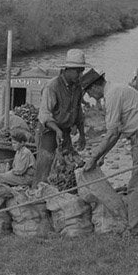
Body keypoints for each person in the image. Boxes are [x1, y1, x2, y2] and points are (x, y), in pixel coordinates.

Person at [81, 69, 138, 236]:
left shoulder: (112, 95)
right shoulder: (116, 90)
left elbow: (112, 132)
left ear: (95, 86)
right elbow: (117, 131)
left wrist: (93, 157)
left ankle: (136, 230)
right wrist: (103, 155)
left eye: (88, 92)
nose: (90, 96)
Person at [33, 48, 89, 183]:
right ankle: (37, 195)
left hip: (65, 131)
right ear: (67, 70)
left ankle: (63, 193)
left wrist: (82, 135)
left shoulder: (77, 87)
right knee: (45, 165)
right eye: (77, 71)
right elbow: (44, 114)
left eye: (81, 71)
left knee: (68, 166)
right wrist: (57, 130)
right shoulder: (52, 86)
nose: (80, 75)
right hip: (49, 131)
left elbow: (78, 112)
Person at [0, 123, 36, 187]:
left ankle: (1, 194)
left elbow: (19, 171)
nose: (13, 145)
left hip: (26, 178)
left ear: (22, 143)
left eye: (15, 143)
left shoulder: (25, 153)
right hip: (22, 176)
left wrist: (8, 173)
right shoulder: (19, 151)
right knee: (3, 176)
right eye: (12, 143)